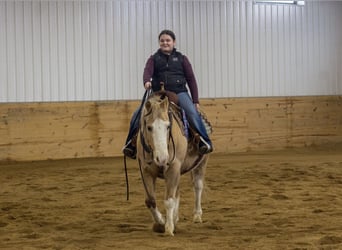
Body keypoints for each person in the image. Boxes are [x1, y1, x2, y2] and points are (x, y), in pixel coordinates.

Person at [123, 29, 213, 159]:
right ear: (159, 43)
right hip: (158, 94)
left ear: (174, 42)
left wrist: (195, 100)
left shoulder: (182, 59)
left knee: (192, 113)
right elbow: (147, 71)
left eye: (168, 40)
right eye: (162, 41)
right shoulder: (153, 59)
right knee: (137, 114)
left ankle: (204, 141)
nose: (165, 43)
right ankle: (130, 144)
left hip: (179, 92)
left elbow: (191, 79)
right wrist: (146, 81)